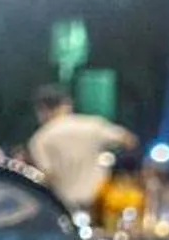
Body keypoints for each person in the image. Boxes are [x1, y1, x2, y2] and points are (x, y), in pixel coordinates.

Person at [25, 84, 136, 214]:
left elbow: (48, 176)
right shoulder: (92, 125)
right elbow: (128, 140)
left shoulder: (40, 139)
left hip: (65, 207)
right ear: (67, 104)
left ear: (42, 109)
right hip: (99, 205)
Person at [89, 151, 146, 234]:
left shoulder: (140, 190)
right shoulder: (107, 187)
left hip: (134, 234)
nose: (126, 178)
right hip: (109, 231)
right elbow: (96, 209)